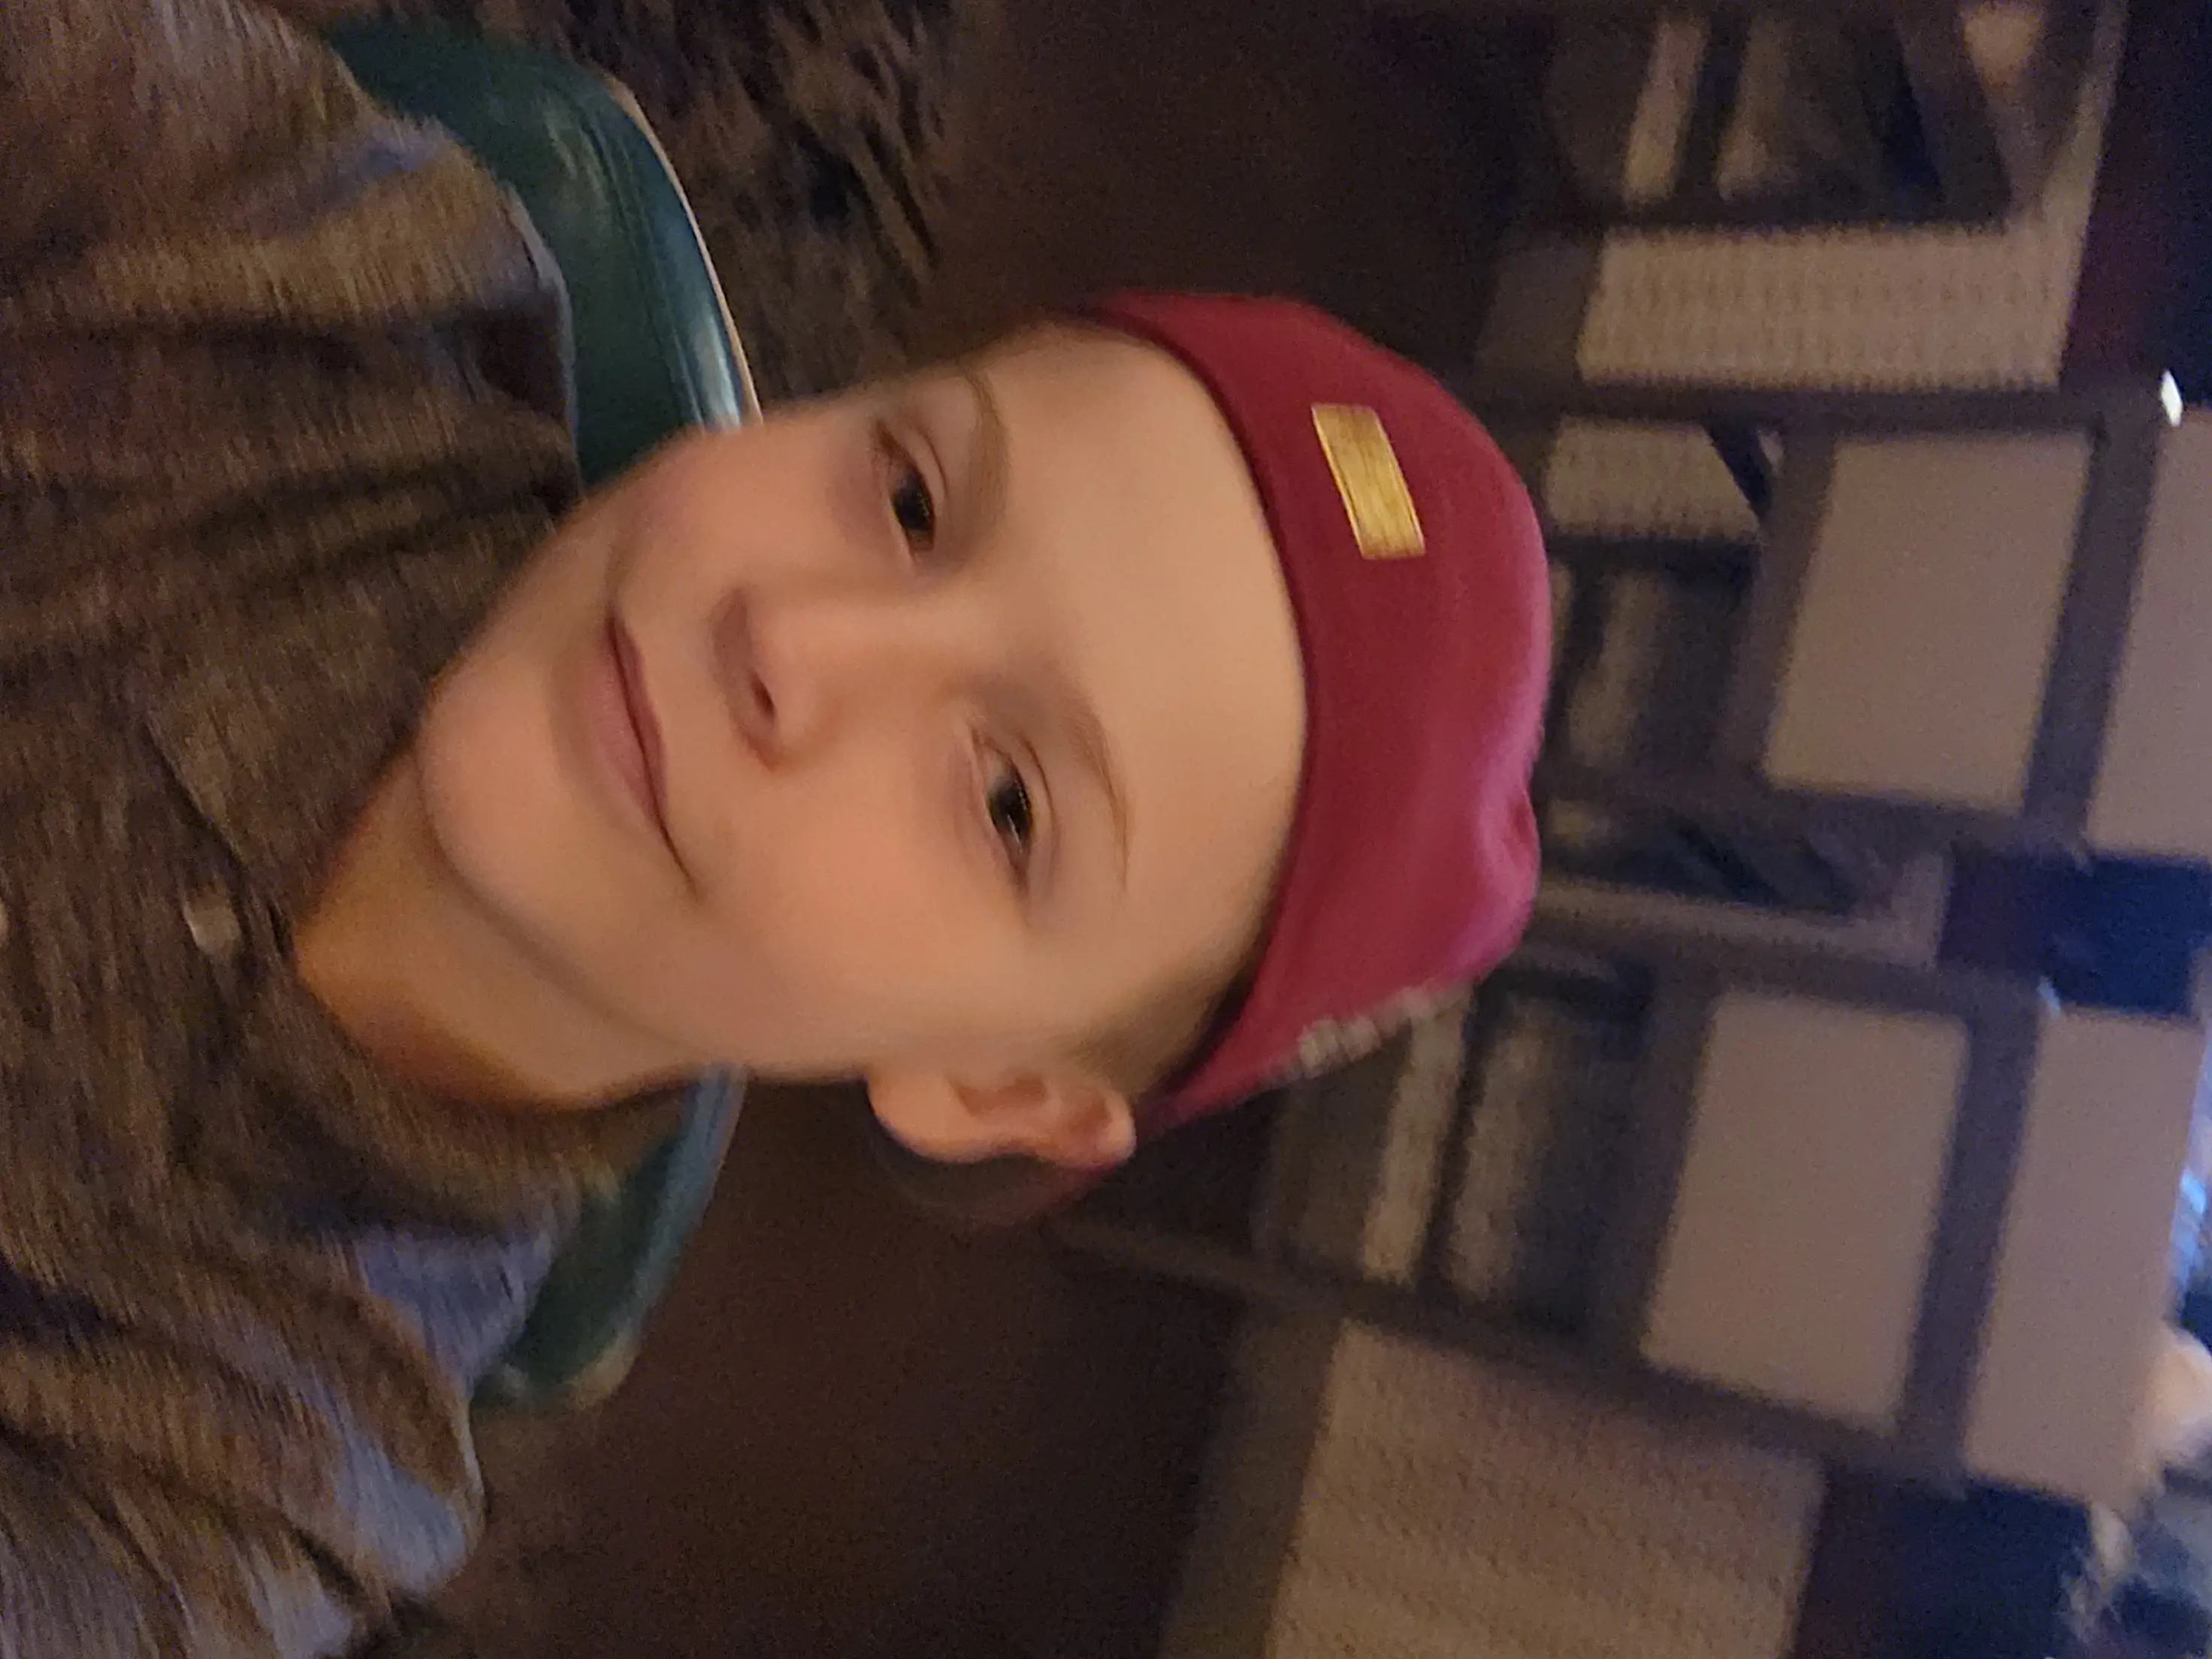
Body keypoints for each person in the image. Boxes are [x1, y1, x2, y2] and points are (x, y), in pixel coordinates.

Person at [0, 0, 1550, 1649]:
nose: (797, 641)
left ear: (994, 1087)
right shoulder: (320, 274)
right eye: (912, 501)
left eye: (1008, 803)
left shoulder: (241, 1482)